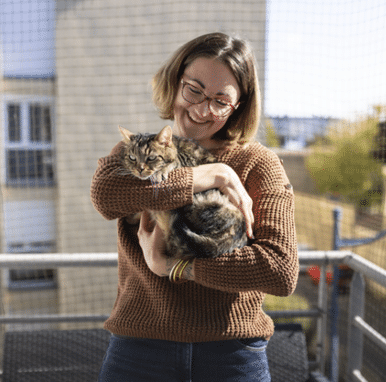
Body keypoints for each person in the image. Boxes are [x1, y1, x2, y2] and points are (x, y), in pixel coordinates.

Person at [91, 32, 298, 382]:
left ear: (238, 107)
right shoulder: (136, 152)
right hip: (139, 348)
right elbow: (106, 197)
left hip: (231, 354)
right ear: (175, 82)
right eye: (194, 90)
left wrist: (176, 267)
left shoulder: (258, 163)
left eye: (221, 100)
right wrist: (207, 175)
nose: (203, 109)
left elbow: (279, 271)